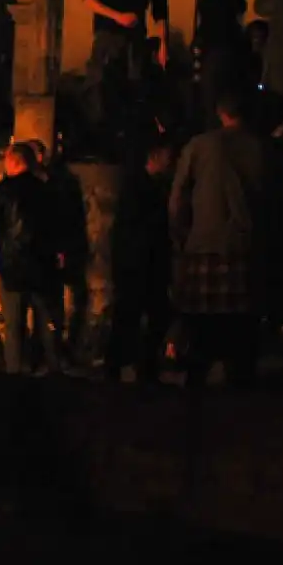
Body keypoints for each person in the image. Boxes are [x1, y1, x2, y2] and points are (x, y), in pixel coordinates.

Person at [170, 93, 274, 389]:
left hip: (205, 246)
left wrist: (181, 237)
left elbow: (178, 199)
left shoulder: (200, 146)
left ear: (219, 111)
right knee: (243, 333)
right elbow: (281, 200)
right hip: (248, 248)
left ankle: (196, 397)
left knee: (201, 331)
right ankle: (241, 391)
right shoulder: (264, 148)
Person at [0, 143, 64, 375]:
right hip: (41, 266)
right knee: (45, 321)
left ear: (14, 162)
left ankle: (15, 371)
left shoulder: (5, 189)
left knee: (14, 325)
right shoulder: (45, 189)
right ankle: (53, 367)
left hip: (11, 266)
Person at [82, 0, 171, 156]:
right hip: (108, 36)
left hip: (135, 40)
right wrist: (117, 16)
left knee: (134, 86)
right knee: (101, 85)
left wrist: (163, 45)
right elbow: (89, 0)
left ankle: (129, 141)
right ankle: (99, 140)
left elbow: (160, 15)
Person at [106, 142, 176, 385]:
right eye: (168, 157)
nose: (171, 162)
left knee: (147, 316)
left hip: (143, 265)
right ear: (154, 156)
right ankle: (123, 365)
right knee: (131, 316)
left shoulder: (149, 186)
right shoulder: (141, 188)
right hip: (138, 265)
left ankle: (138, 365)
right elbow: (137, 229)